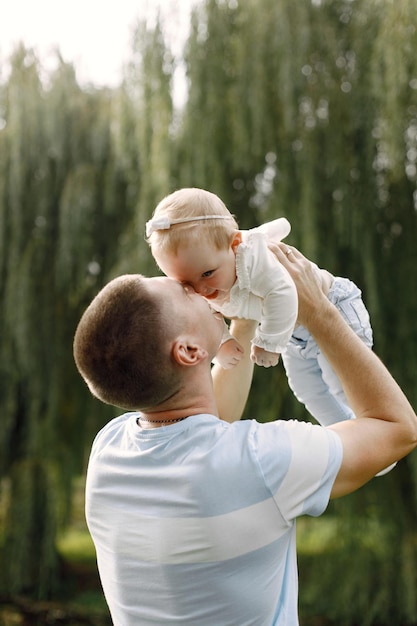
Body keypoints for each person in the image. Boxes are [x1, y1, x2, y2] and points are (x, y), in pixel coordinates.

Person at [73, 245, 417, 626]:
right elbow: (396, 429)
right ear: (188, 350)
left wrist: (246, 317)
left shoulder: (110, 450)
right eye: (185, 292)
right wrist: (318, 311)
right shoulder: (261, 463)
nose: (194, 287)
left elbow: (208, 423)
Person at [145, 187, 370, 428]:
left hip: (333, 307)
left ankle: (375, 425)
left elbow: (283, 293)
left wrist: (268, 342)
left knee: (339, 382)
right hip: (294, 332)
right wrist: (223, 342)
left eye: (208, 273)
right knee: (306, 388)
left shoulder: (253, 260)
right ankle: (346, 432)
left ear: (234, 245)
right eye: (186, 284)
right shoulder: (205, 281)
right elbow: (209, 316)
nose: (201, 290)